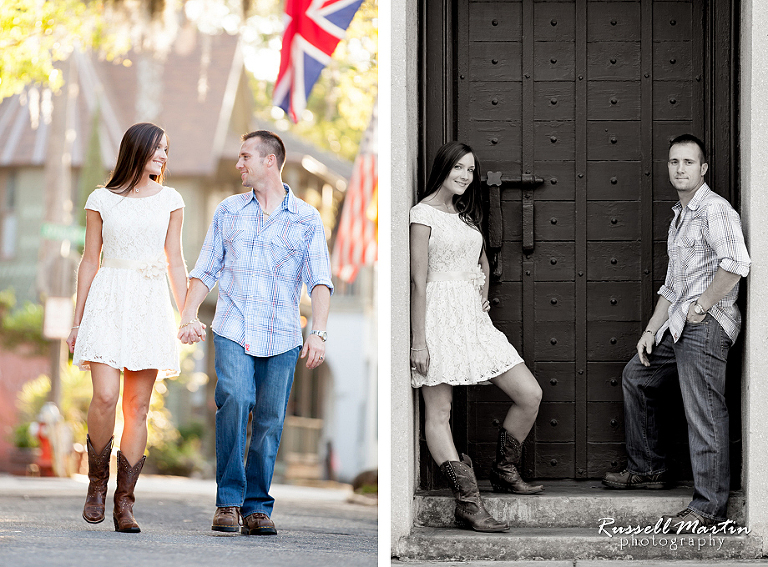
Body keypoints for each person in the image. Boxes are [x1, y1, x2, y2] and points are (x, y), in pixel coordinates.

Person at [178, 130, 332, 536]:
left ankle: (257, 506)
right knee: (234, 397)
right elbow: (205, 267)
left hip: (283, 334)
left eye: (245, 156)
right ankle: (229, 501)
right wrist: (188, 313)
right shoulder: (229, 211)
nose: (238, 164)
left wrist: (318, 332)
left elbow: (320, 281)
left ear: (270, 161)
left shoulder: (306, 218)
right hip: (233, 326)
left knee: (269, 421)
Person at [602, 134, 751, 530]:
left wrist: (702, 307)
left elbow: (736, 264)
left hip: (706, 325)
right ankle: (649, 468)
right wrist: (653, 328)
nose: (679, 169)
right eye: (673, 162)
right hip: (680, 323)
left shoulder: (715, 210)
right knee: (638, 375)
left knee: (704, 413)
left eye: (688, 162)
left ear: (703, 168)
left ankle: (707, 509)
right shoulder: (681, 216)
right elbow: (673, 285)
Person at [410, 141, 544, 533]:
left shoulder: (466, 215)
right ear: (444, 169)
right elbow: (419, 281)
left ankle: (504, 469)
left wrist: (481, 288)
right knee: (439, 413)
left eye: (471, 170)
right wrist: (419, 341)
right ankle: (468, 502)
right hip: (435, 317)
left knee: (529, 393)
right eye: (459, 169)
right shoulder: (421, 215)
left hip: (473, 320)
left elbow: (481, 257)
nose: (466, 176)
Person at [67, 122, 188, 533]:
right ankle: (96, 485)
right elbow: (89, 259)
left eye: (166, 151)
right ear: (136, 150)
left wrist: (186, 312)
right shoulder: (101, 198)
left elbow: (175, 260)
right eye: (158, 150)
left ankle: (124, 503)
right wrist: (77, 320)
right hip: (107, 299)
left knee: (137, 408)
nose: (163, 157)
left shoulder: (171, 200)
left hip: (151, 304)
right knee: (104, 397)